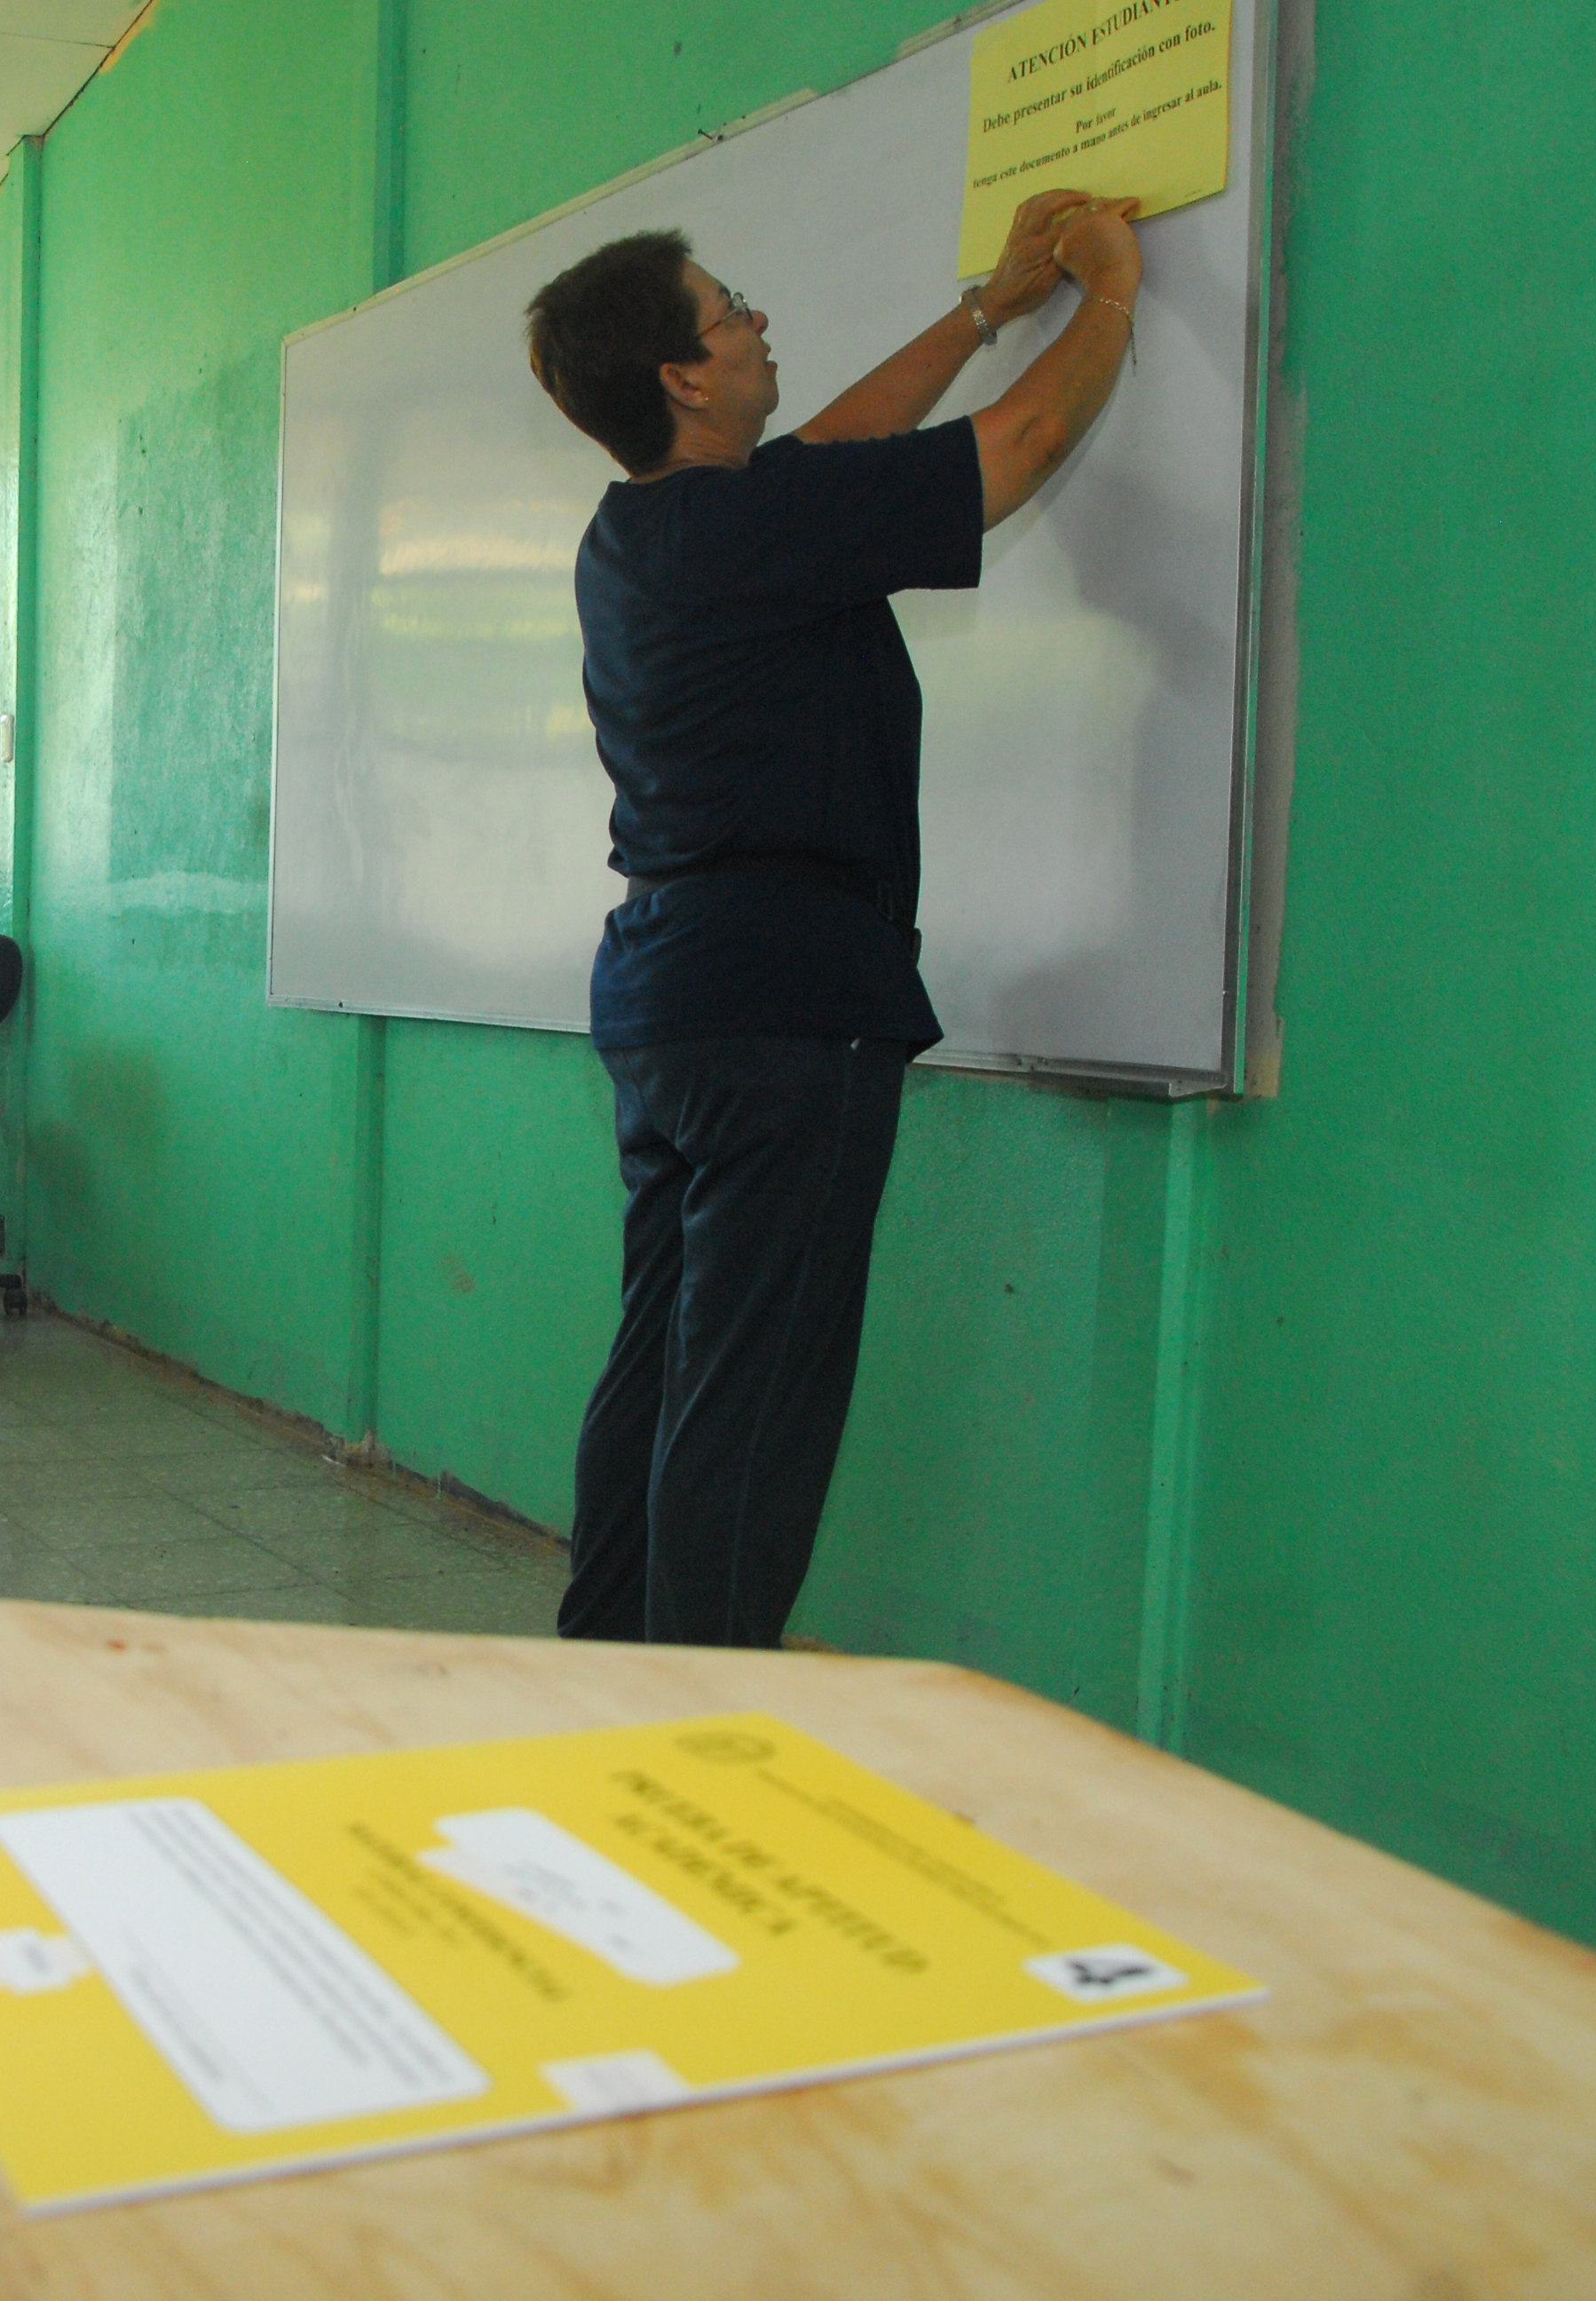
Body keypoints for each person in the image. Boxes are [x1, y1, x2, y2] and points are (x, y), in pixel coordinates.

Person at [525, 188, 1144, 1648]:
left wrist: (990, 308)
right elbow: (1025, 445)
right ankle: (697, 1722)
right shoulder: (738, 532)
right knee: (756, 1397)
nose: (755, 325)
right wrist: (1106, 295)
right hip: (785, 1001)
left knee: (668, 1366)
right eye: (731, 310)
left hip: (678, 991)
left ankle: (603, 1671)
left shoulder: (659, 529)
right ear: (683, 375)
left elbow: (843, 448)